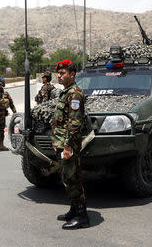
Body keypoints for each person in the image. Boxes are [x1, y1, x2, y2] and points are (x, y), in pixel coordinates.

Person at [52, 59, 89, 230]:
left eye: (62, 73)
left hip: (70, 144)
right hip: (63, 142)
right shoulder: (66, 92)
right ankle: (74, 210)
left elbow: (74, 122)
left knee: (71, 178)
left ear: (72, 75)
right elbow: (61, 121)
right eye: (58, 73)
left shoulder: (75, 93)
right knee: (67, 176)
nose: (59, 76)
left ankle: (82, 216)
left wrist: (67, 146)